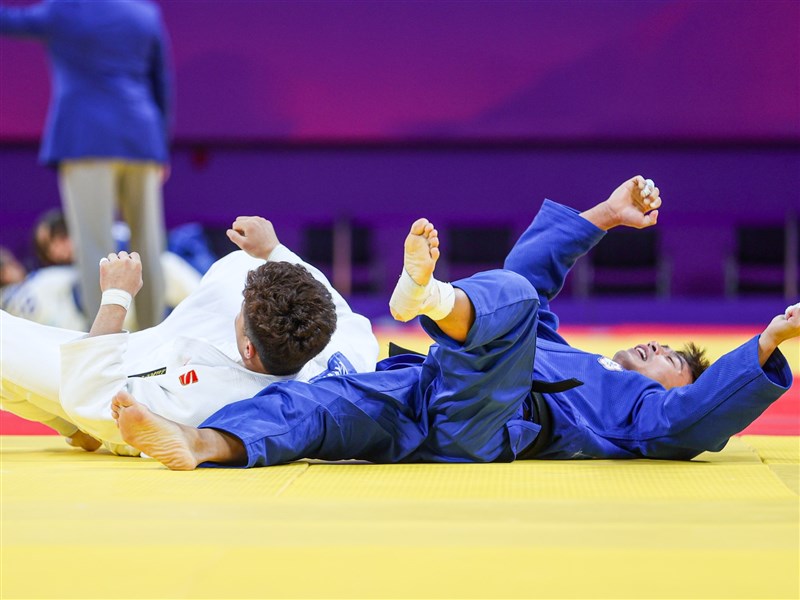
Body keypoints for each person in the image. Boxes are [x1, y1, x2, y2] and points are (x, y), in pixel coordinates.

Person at [110, 176, 796, 470]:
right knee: (317, 405)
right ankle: (203, 445)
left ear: (678, 387)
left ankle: (429, 298)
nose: (659, 348)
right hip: (423, 393)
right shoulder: (574, 356)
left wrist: (764, 343)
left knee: (519, 302)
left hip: (487, 424)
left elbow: (698, 420)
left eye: (674, 358)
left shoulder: (644, 415)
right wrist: (608, 215)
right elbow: (536, 262)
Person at [0, 216, 379, 455]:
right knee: (244, 264)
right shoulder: (342, 349)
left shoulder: (209, 400)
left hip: (108, 383)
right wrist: (273, 250)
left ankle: (76, 424)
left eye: (241, 315)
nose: (238, 310)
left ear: (247, 347)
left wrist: (116, 297)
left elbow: (91, 396)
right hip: (151, 350)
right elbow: (329, 301)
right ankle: (71, 426)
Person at [1, 0, 172, 328]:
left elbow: (8, 21)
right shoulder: (143, 12)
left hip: (86, 139)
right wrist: (160, 147)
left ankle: (104, 344)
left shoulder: (65, 9)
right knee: (150, 248)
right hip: (141, 137)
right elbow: (161, 81)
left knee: (96, 248)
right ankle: (155, 341)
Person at [2, 208, 202, 331]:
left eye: (58, 239)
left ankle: (210, 308)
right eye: (47, 249)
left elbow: (145, 261)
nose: (56, 251)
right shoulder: (45, 279)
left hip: (151, 296)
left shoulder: (109, 236)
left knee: (167, 265)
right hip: (100, 324)